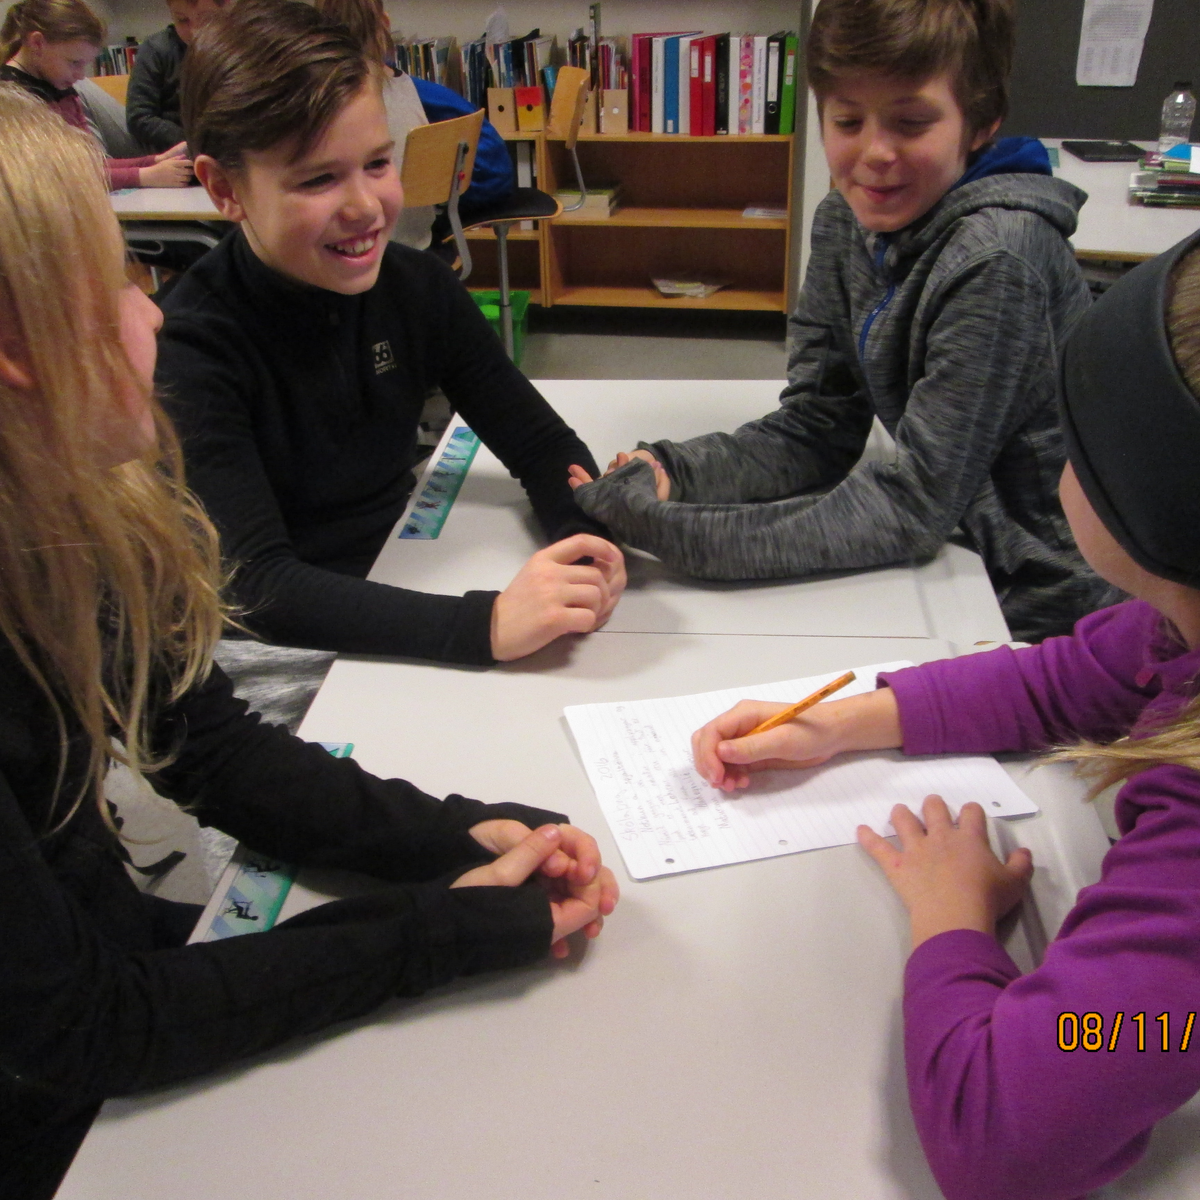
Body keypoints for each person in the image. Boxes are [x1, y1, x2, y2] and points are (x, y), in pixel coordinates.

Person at [0, 83, 617, 1200]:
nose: (153, 315)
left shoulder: (67, 523)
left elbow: (206, 750)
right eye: (120, 284)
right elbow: (85, 1031)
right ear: (21, 356)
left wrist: (450, 835)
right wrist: (438, 932)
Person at [691, 231, 1200, 1199]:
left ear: (1152, 506)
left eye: (1077, 438)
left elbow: (1002, 1132)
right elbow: (1061, 682)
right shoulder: (1182, 623)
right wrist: (844, 721)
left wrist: (951, 915)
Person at [569, 0, 1115, 645]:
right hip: (960, 555)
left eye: (911, 122)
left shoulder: (997, 259)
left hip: (1045, 605)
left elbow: (912, 506)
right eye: (848, 120)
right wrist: (675, 469)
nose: (875, 152)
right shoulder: (845, 219)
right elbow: (819, 427)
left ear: (981, 122)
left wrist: (669, 530)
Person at [158, 0, 624, 725]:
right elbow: (260, 585)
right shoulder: (193, 346)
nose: (366, 207)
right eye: (317, 180)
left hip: (402, 576)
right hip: (274, 645)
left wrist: (584, 543)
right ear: (225, 188)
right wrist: (483, 625)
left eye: (378, 163)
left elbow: (538, 443)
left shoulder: (418, 287)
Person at [314, 0, 515, 250]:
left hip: (357, 247)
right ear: (385, 23)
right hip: (418, 243)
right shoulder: (413, 92)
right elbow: (495, 171)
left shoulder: (311, 104)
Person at [0, 0, 192, 187]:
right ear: (37, 43)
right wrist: (143, 176)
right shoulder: (9, 98)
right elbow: (59, 176)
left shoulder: (62, 89)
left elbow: (91, 163)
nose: (81, 75)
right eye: (74, 63)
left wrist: (154, 161)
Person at [125, 0, 229, 154]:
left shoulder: (236, 49)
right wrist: (193, 143)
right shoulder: (156, 50)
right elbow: (139, 118)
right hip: (175, 152)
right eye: (182, 20)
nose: (194, 31)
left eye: (207, 20)